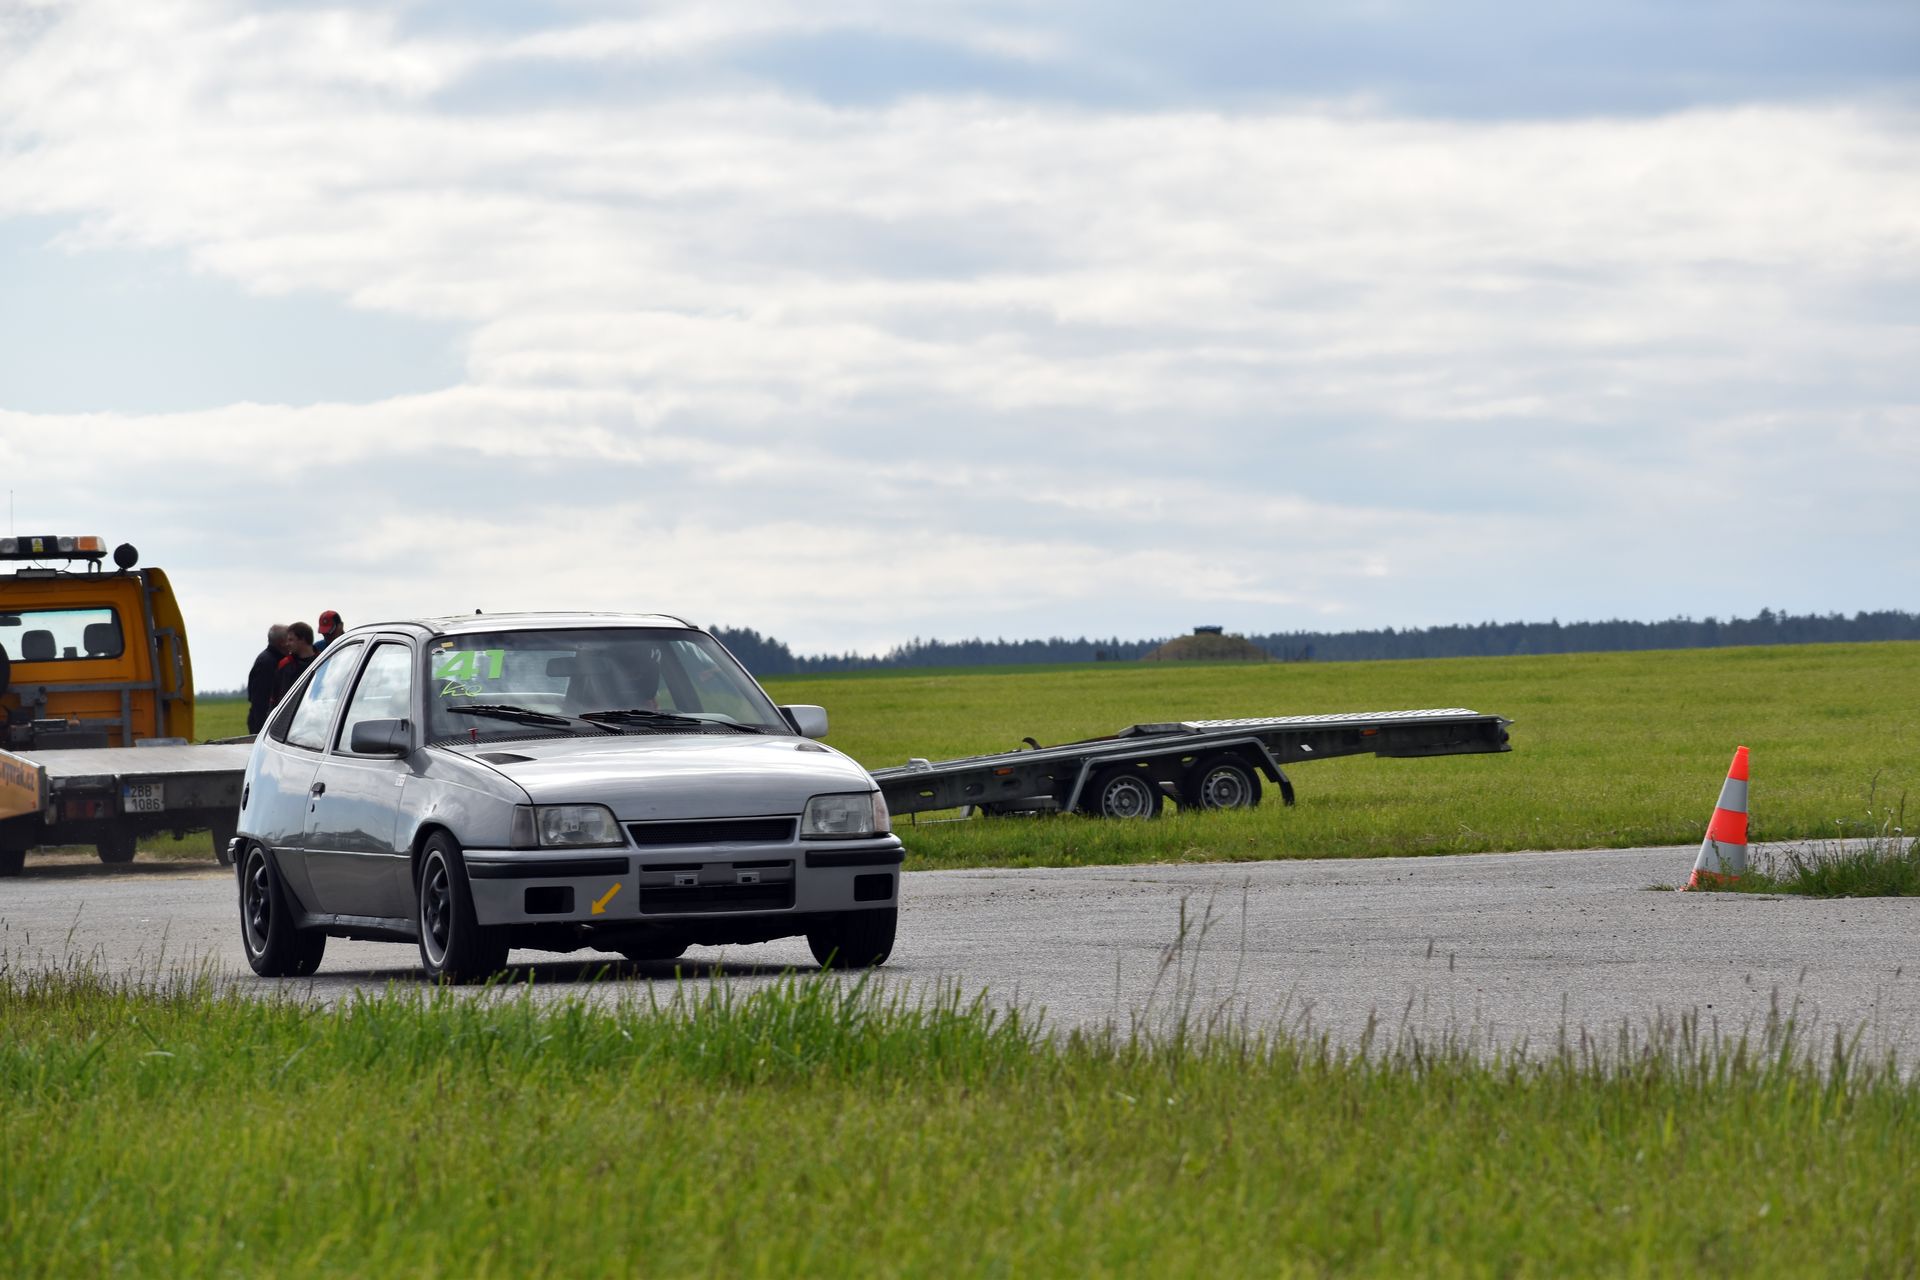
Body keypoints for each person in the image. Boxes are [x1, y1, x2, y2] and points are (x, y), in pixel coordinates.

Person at [245, 624, 290, 733]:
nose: (290, 643)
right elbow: (260, 700)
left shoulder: (273, 659)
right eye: (289, 639)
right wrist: (262, 731)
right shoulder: (267, 663)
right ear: (281, 642)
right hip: (264, 724)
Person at [275, 622, 319, 700]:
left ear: (302, 639)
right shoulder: (285, 665)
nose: (287, 644)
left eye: (291, 640)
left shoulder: (323, 662)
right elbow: (276, 698)